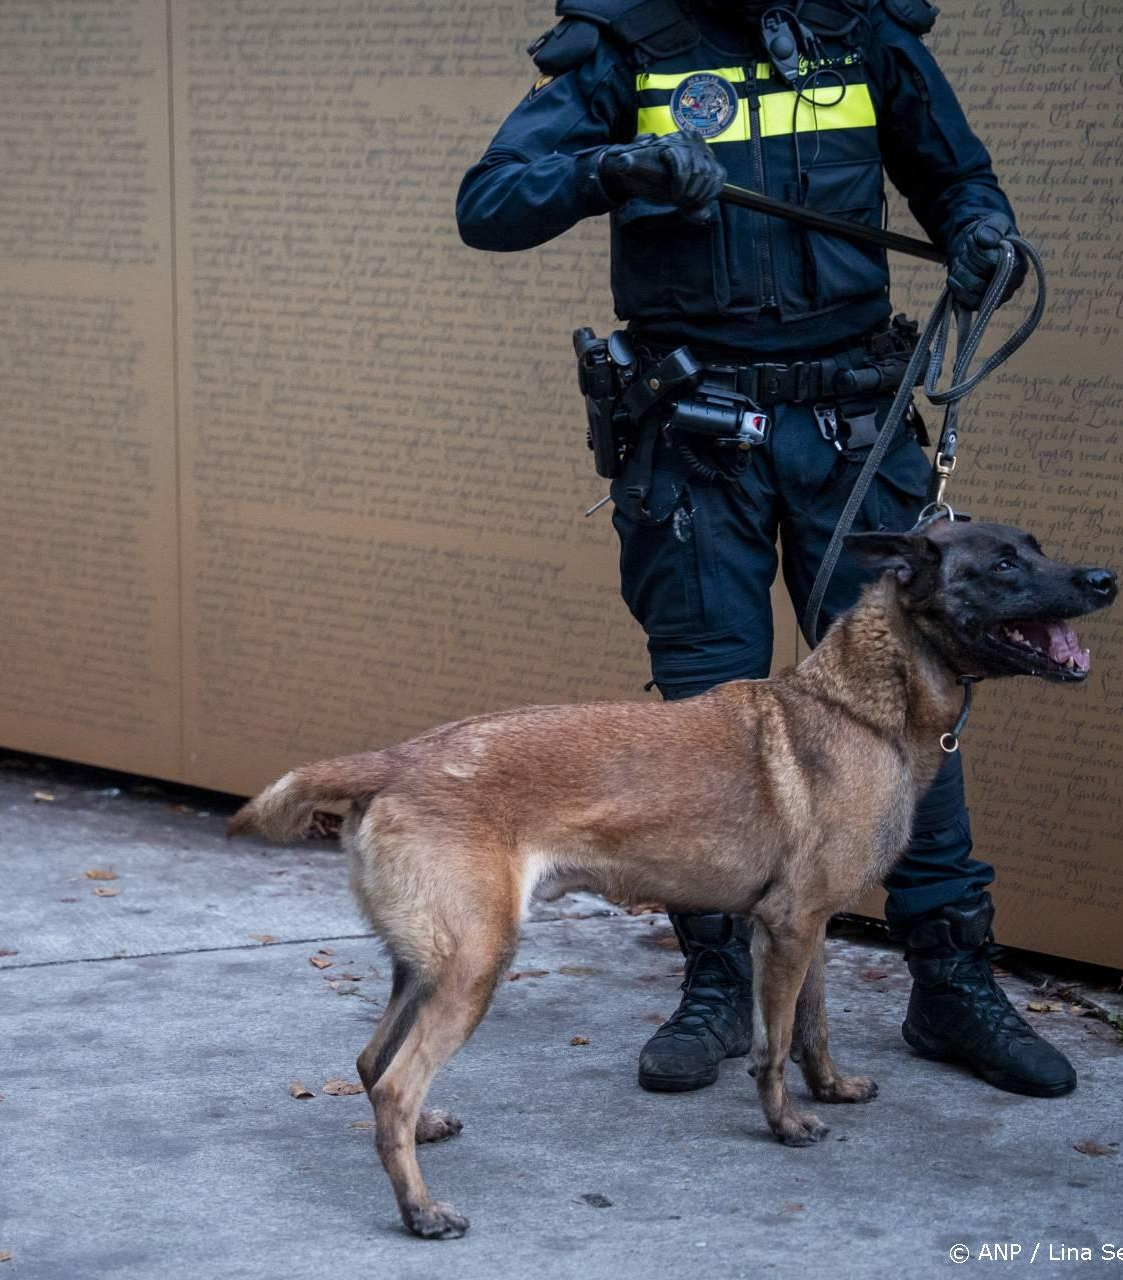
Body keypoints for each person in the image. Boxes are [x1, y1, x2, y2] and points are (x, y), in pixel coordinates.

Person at [456, 0, 1070, 1099]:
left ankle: (950, 981)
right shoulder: (627, 41)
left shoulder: (862, 30)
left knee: (917, 708)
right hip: (696, 443)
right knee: (706, 724)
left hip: (855, 430)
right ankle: (718, 982)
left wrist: (982, 232)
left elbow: (958, 179)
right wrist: (615, 169)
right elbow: (489, 205)